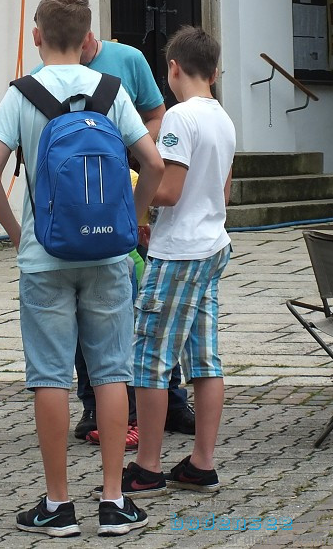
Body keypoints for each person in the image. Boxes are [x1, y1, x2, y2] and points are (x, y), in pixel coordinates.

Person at [0, 0, 164, 537]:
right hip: (109, 253)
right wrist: (130, 222)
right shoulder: (111, 89)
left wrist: (17, 233)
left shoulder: (21, 94)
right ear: (88, 40)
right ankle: (113, 501)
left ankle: (57, 505)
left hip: (45, 254)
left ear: (37, 35)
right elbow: (151, 163)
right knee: (111, 372)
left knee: (51, 377)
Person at [117, 26, 235, 499]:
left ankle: (146, 467)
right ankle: (201, 462)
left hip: (178, 250)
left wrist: (135, 208)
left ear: (173, 68)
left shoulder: (179, 119)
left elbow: (167, 189)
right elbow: (223, 191)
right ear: (214, 70)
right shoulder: (222, 118)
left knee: (149, 359)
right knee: (204, 358)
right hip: (212, 243)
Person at [72, 36, 196, 444]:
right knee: (86, 309)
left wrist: (130, 141)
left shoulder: (127, 59)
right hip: (80, 202)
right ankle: (97, 404)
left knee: (149, 309)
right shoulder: (45, 77)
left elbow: (157, 117)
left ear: (90, 35)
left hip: (127, 184)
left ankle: (169, 399)